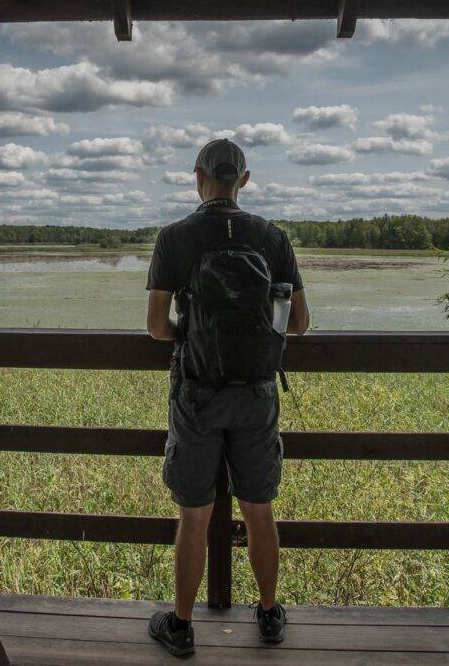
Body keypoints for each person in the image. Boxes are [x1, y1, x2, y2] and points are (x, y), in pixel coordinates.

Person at [145, 138, 310, 656]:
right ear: (244, 179)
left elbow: (155, 327)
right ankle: (267, 614)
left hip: (197, 395)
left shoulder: (175, 238)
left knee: (194, 513)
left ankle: (182, 625)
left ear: (198, 178)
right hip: (257, 394)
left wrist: (190, 332)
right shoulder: (273, 238)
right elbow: (298, 323)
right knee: (259, 510)